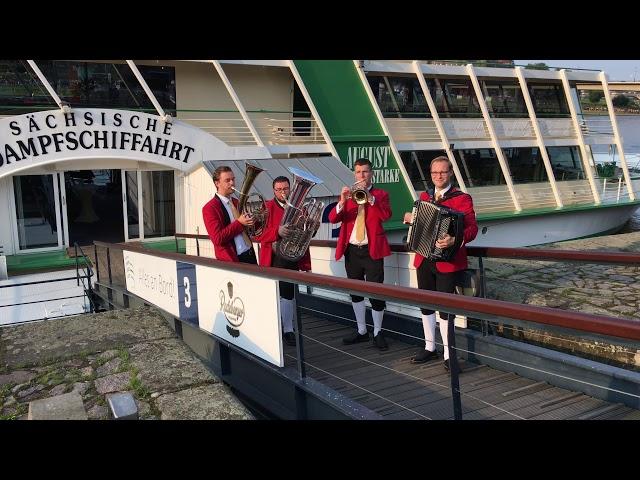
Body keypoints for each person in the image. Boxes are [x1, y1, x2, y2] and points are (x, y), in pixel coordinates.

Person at [403, 156, 478, 371]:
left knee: (445, 309)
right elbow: (420, 227)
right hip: (423, 259)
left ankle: (448, 353)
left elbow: (472, 229)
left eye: (443, 172)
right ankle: (429, 347)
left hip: (448, 261)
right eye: (435, 173)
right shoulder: (424, 196)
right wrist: (410, 219)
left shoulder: (462, 199)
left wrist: (455, 239)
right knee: (426, 305)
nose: (438, 176)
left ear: (450, 173)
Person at [328, 158, 392, 350]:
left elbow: (386, 216)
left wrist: (370, 199)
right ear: (354, 174)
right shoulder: (349, 196)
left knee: (376, 292)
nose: (361, 176)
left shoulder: (381, 194)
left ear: (371, 174)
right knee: (355, 292)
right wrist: (341, 201)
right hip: (352, 251)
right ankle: (362, 330)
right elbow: (333, 219)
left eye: (365, 172)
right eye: (358, 172)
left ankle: (378, 332)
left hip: (372, 250)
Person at [254, 176, 312, 347]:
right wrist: (276, 232)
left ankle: (288, 329)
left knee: (288, 294)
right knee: (272, 294)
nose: (282, 192)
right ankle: (272, 327)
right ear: (274, 191)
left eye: (285, 188)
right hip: (272, 257)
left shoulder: (300, 208)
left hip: (292, 256)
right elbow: (256, 234)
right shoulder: (267, 207)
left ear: (290, 189)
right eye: (279, 189)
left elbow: (306, 235)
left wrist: (312, 229)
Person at [202, 165, 258, 264]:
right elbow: (217, 239)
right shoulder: (210, 208)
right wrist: (239, 223)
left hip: (249, 253)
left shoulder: (237, 202)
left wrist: (253, 221)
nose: (232, 183)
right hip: (232, 259)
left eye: (233, 179)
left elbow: (248, 230)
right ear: (217, 183)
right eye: (227, 180)